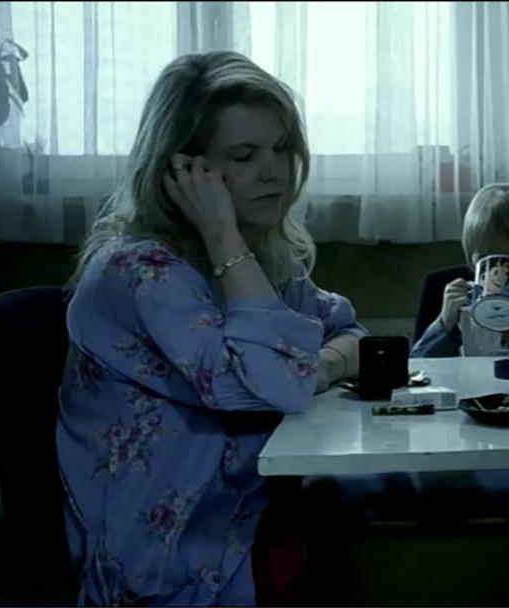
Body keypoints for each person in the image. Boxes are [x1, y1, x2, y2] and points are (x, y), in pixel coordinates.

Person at [57, 51, 365, 606]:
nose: (274, 171)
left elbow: (352, 332)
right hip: (167, 564)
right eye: (244, 156)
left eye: (281, 148)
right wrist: (223, 234)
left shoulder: (260, 257)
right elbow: (274, 382)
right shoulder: (138, 271)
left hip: (243, 521)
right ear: (183, 171)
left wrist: (320, 367)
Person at [411, 183, 509, 357]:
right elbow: (416, 365)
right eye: (487, 260)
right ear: (473, 262)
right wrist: (445, 324)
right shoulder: (461, 311)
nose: (502, 275)